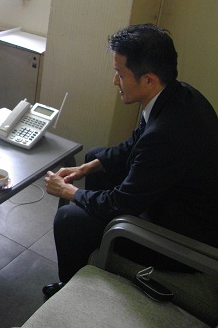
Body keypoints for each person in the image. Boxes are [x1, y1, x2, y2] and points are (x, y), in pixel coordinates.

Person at [42, 24, 218, 297]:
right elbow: (136, 142)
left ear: (148, 80)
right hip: (173, 200)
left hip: (180, 240)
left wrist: (69, 191)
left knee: (68, 219)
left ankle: (71, 290)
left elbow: (120, 203)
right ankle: (91, 253)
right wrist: (88, 167)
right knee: (96, 156)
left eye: (120, 74)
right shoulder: (178, 95)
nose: (115, 81)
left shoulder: (165, 136)